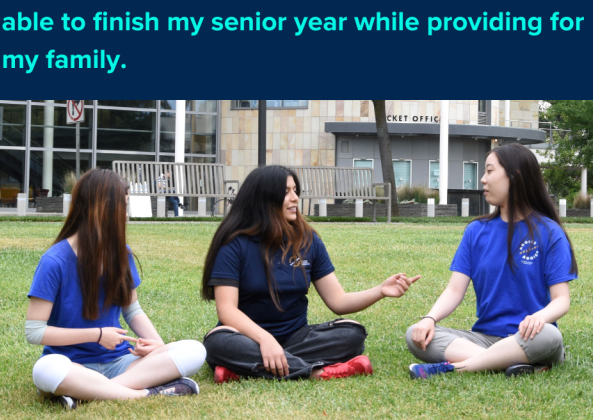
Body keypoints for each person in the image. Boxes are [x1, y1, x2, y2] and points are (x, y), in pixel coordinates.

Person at [201, 164, 420, 382]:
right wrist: (265, 340)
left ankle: (245, 369)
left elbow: (339, 301)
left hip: (297, 339)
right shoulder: (234, 244)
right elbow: (227, 310)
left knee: (353, 334)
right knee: (217, 343)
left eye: (295, 190)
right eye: (286, 192)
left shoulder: (308, 241)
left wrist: (381, 290)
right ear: (264, 198)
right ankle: (315, 372)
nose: (295, 197)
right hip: (248, 338)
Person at [26, 168, 207, 409]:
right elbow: (35, 331)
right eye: (123, 206)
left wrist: (157, 346)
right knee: (45, 370)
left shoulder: (122, 254)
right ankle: (143, 394)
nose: (127, 214)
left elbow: (132, 311)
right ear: (103, 209)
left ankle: (90, 392)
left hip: (122, 362)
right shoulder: (54, 260)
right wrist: (98, 335)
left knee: (194, 350)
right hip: (72, 364)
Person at [405, 143, 577, 379]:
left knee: (551, 336)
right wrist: (429, 318)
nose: (483, 180)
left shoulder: (549, 232)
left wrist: (539, 318)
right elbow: (455, 291)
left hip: (530, 337)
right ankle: (506, 363)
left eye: (489, 171)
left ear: (514, 177)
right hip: (484, 339)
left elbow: (562, 301)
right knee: (416, 334)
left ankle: (454, 367)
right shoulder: (476, 231)